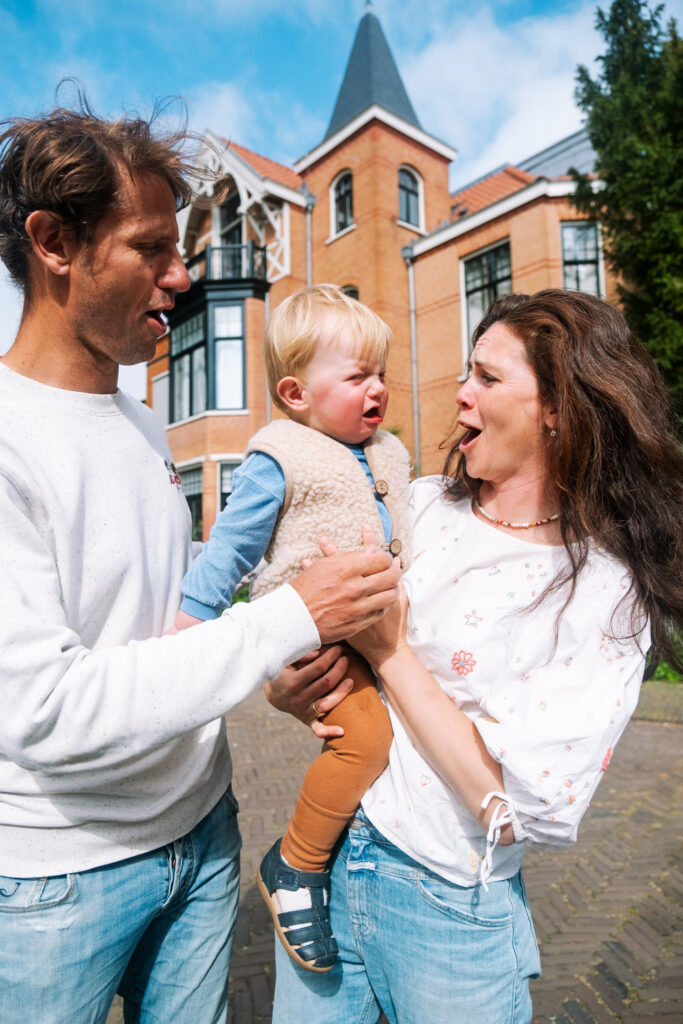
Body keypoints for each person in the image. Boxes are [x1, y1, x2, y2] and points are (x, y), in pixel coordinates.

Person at [0, 104, 400, 1024]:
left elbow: (165, 624)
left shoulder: (142, 425)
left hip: (206, 831)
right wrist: (289, 618)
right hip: (58, 879)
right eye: (151, 249)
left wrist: (279, 674)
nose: (181, 276)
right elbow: (45, 709)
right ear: (54, 241)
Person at [269, 289, 683, 1023]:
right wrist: (292, 681)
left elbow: (514, 809)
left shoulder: (602, 590)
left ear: (557, 407)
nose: (459, 394)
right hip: (327, 864)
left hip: (446, 905)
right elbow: (309, 639)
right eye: (467, 372)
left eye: (487, 378)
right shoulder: (418, 505)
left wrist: (389, 651)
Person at [175, 283, 411, 972]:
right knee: (363, 744)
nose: (377, 389)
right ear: (296, 392)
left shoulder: (389, 452)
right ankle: (295, 865)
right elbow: (228, 552)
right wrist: (189, 632)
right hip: (319, 636)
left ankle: (347, 865)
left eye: (381, 374)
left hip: (380, 627)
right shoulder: (279, 456)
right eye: (357, 376)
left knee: (392, 743)